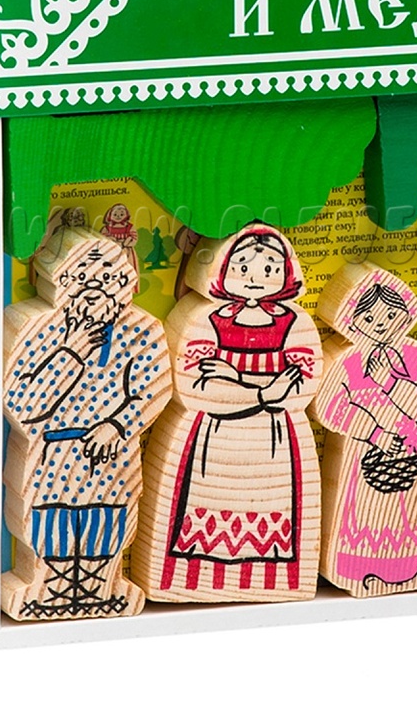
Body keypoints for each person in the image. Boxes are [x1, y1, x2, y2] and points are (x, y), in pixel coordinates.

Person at [133, 225, 321, 602]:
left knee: (274, 511)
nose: (255, 278)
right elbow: (196, 388)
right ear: (219, 269)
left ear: (287, 271)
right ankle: (193, 581)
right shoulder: (204, 320)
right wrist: (265, 391)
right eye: (243, 267)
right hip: (212, 439)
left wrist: (237, 378)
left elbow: (302, 386)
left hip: (276, 442)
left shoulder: (295, 323)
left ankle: (268, 582)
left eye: (270, 269)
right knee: (201, 512)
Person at [1, 230, 171, 620]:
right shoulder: (36, 328)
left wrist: (117, 425)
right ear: (56, 281)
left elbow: (152, 389)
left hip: (113, 451)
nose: (94, 290)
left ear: (127, 281)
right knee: (50, 523)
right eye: (81, 278)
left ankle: (104, 588)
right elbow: (23, 403)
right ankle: (48, 589)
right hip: (51, 452)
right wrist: (72, 351)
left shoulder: (143, 330)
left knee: (108, 520)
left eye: (108, 278)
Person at [312, 266, 417, 596]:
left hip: (413, 448)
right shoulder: (347, 361)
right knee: (368, 516)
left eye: (391, 315)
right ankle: (365, 567)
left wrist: (400, 383)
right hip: (363, 453)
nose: (381, 324)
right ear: (351, 322)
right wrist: (376, 434)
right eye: (369, 318)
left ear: (406, 314)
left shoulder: (415, 356)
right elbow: (331, 407)